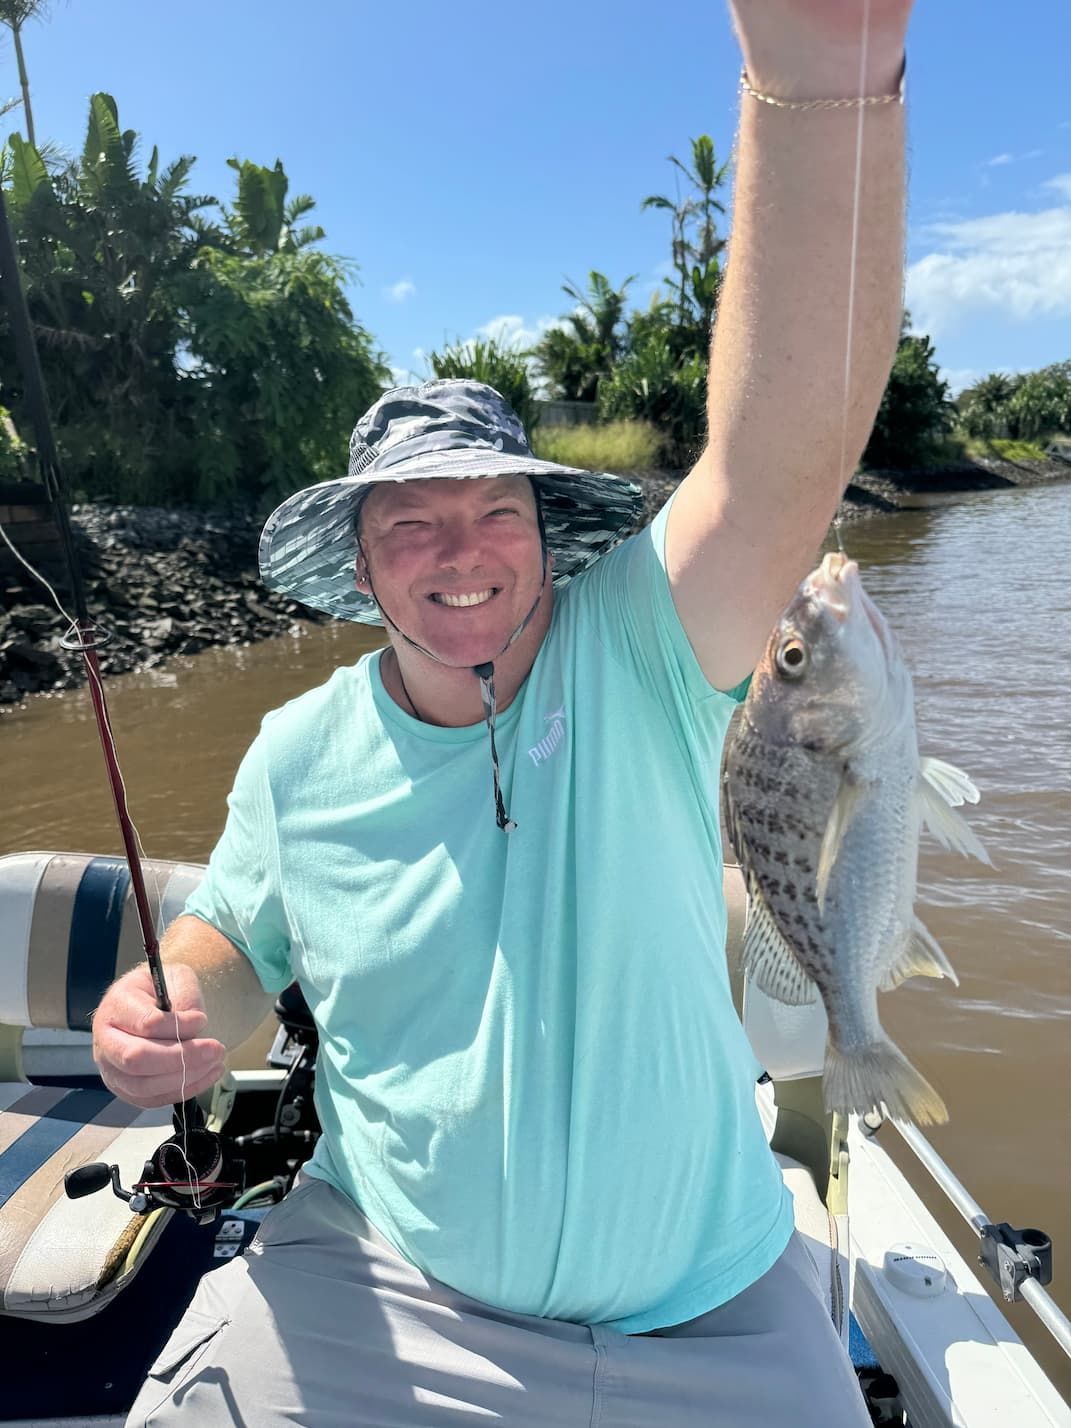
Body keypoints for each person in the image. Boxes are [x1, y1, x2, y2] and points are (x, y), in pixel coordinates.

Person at [94, 2, 913, 1422]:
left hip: (712, 1310)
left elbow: (778, 458)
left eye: (496, 508)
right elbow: (230, 943)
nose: (460, 549)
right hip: (383, 1285)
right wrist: (167, 1007)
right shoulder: (299, 754)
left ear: (549, 537)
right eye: (409, 521)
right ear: (360, 569)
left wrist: (821, 68)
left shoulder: (645, 648)